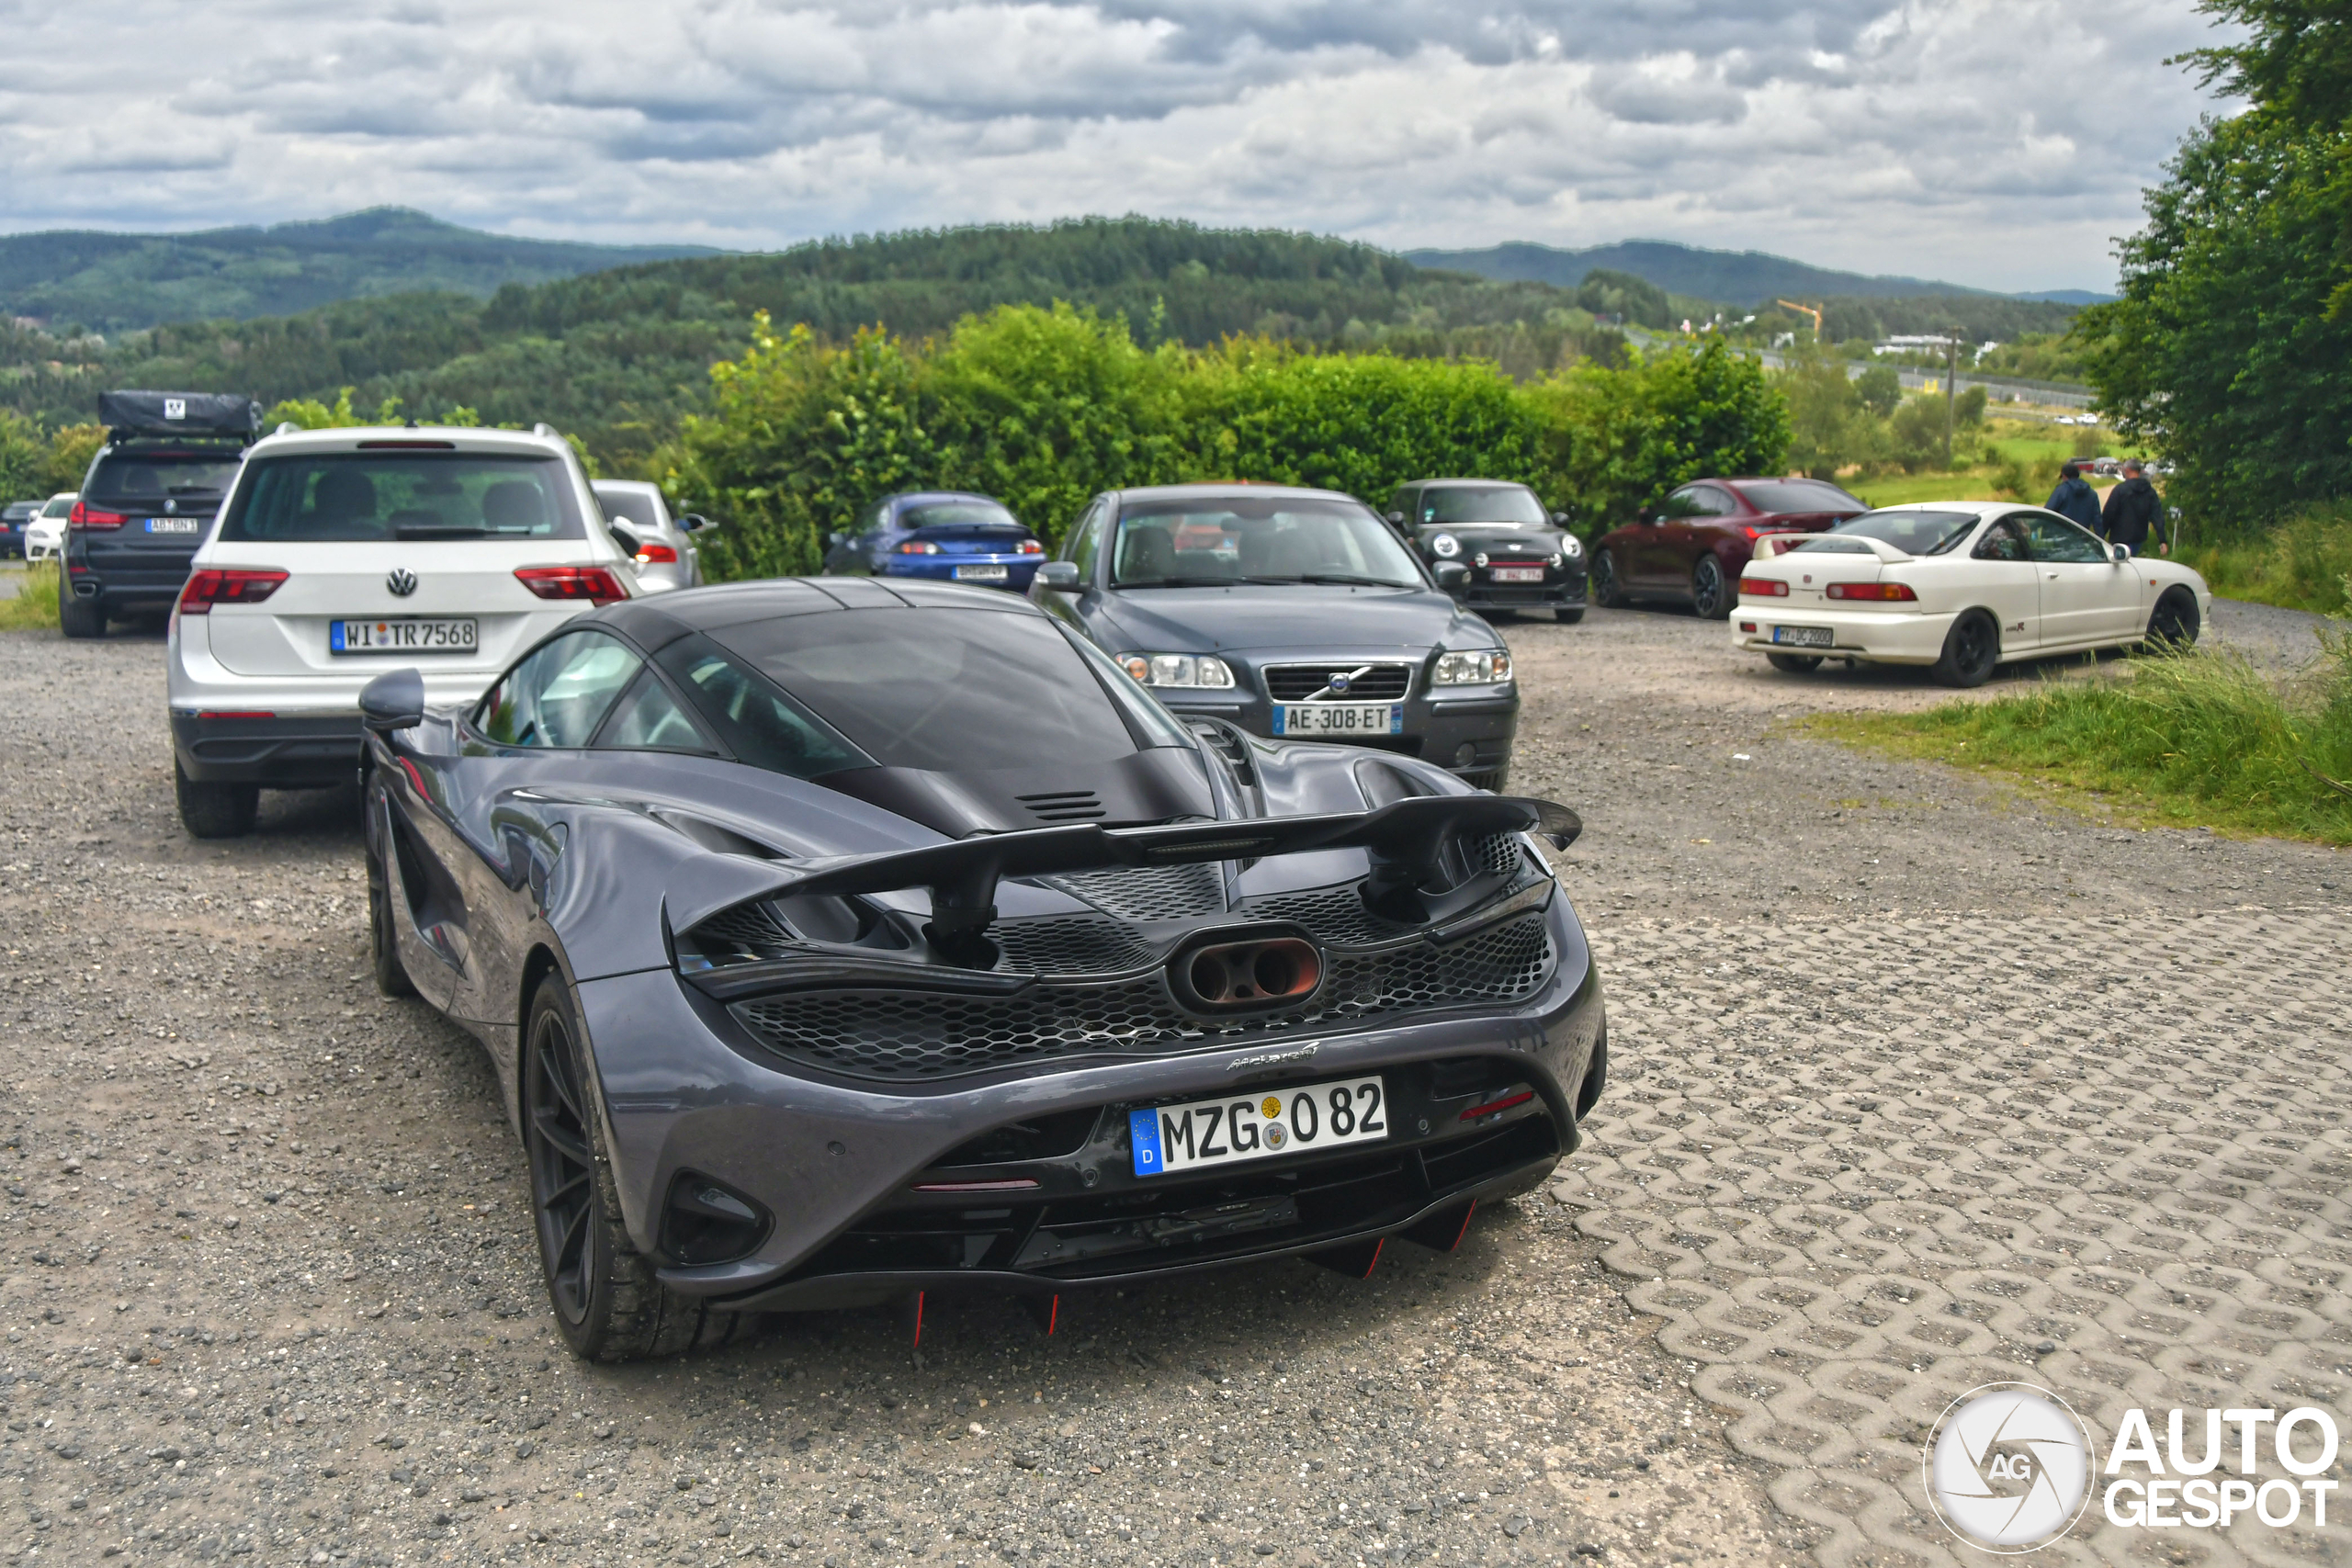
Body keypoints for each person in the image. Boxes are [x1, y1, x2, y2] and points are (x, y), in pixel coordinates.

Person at [2099, 459, 2169, 555]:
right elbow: (2157, 516)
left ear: (2127, 470)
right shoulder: (2149, 491)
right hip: (2138, 539)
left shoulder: (2120, 490)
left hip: (2120, 538)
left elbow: (2108, 513)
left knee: (2120, 566)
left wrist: (2100, 536)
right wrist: (2162, 540)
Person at [2045, 462, 2102, 533]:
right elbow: (2098, 522)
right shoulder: (2092, 494)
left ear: (2064, 476)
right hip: (2083, 538)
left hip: (2062, 539)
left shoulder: (2061, 491)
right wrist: (2101, 541)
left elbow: (2047, 513)